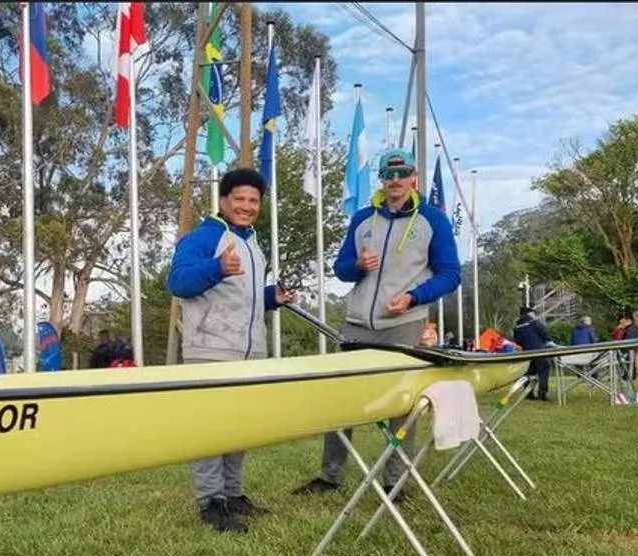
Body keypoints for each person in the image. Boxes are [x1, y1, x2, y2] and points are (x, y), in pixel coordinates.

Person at [291, 148, 460, 503]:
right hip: (356, 323)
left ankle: (394, 482)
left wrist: (414, 297)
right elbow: (340, 268)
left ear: (414, 177)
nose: (395, 180)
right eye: (388, 174)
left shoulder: (433, 220)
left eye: (402, 173)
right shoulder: (363, 218)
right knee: (340, 400)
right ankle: (329, 476)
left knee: (400, 405)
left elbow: (451, 274)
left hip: (403, 323)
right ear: (381, 179)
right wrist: (357, 266)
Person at [166, 167, 296, 534]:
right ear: (223, 201)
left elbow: (244, 300)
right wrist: (217, 267)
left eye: (253, 200)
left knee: (240, 428)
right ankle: (211, 502)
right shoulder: (203, 238)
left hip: (249, 352)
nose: (247, 206)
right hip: (209, 349)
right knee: (211, 429)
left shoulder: (252, 243)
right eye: (239, 199)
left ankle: (234, 494)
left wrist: (274, 298)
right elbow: (178, 283)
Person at [513, 305, 553, 400]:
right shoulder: (533, 322)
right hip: (538, 351)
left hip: (526, 353)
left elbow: (517, 341)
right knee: (544, 369)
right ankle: (542, 393)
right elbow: (545, 334)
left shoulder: (517, 326)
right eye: (533, 313)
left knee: (529, 372)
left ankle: (528, 392)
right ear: (529, 314)